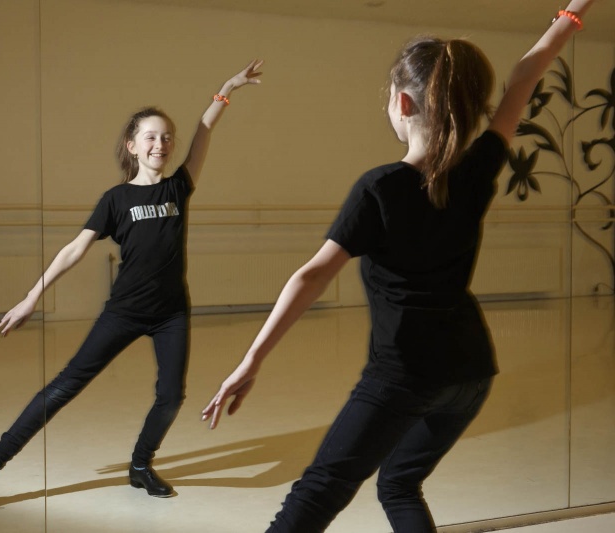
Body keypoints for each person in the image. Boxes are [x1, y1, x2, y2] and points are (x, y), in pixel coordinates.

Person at [202, 3, 596, 532]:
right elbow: (528, 71)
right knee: (399, 482)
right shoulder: (477, 169)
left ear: (402, 101)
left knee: (316, 494)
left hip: (405, 374)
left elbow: (311, 276)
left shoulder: (381, 187)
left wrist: (250, 360)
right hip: (472, 372)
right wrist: (574, 10)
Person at [0, 59, 263, 518]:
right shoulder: (115, 200)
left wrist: (227, 89)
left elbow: (203, 134)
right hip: (125, 312)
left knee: (172, 395)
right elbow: (73, 251)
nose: (162, 142)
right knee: (62, 388)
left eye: (166, 136)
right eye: (151, 136)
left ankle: (140, 465)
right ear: (133, 146)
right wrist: (32, 296)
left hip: (172, 312)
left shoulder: (179, 187)